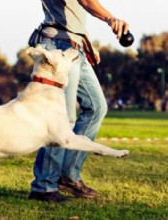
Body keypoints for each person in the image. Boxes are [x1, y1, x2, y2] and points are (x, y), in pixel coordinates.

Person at [28, 0, 130, 202]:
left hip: (74, 48)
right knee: (62, 119)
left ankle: (68, 176)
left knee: (96, 108)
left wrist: (85, 42)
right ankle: (44, 186)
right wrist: (110, 19)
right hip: (58, 47)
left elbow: (73, 12)